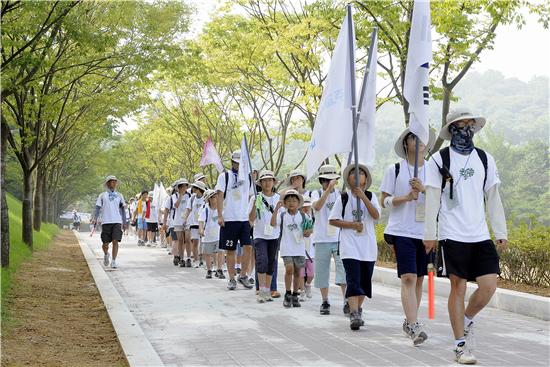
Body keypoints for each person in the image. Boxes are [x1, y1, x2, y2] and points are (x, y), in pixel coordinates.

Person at [424, 108, 507, 365]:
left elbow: (493, 197)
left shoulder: (485, 159)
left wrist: (500, 231)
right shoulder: (438, 160)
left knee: (489, 286)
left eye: (470, 124)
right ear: (451, 130)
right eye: (460, 125)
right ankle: (460, 345)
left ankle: (467, 319)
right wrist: (430, 233)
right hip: (452, 234)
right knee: (458, 287)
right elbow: (432, 199)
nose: (465, 129)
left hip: (479, 234)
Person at [380, 127, 435, 345]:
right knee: (409, 277)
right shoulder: (394, 170)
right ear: (406, 143)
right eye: (414, 137)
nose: (420, 141)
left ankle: (410, 319)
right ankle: (414, 327)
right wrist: (404, 197)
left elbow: (445, 201)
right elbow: (383, 200)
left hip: (425, 232)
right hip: (401, 230)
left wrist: (424, 191)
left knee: (420, 279)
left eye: (423, 137)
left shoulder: (434, 170)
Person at [329, 163, 381, 331]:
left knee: (364, 283)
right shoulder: (343, 198)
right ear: (348, 179)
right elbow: (333, 219)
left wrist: (363, 197)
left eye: (361, 174)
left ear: (366, 179)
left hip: (367, 247)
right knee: (353, 279)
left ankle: (357, 309)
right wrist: (351, 225)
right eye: (353, 174)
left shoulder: (371, 196)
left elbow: (375, 215)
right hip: (349, 246)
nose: (357, 176)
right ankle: (354, 313)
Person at [310, 164, 348, 315]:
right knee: (322, 272)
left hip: (339, 238)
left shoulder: (342, 195)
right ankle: (325, 301)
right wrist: (327, 191)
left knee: (343, 270)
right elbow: (317, 207)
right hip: (321, 238)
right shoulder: (316, 193)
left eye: (331, 179)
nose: (328, 182)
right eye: (325, 180)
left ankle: (346, 301)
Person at [215, 150, 254, 290]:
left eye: (240, 162)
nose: (238, 165)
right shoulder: (224, 176)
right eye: (235, 162)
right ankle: (231, 278)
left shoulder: (248, 178)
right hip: (229, 219)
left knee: (248, 247)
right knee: (230, 250)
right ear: (232, 162)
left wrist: (251, 217)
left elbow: (252, 197)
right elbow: (219, 195)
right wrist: (220, 215)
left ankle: (243, 275)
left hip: (244, 219)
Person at [271, 189, 313, 308]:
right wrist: (276, 210)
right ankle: (287, 293)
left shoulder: (304, 216)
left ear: (298, 202)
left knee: (297, 272)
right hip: (286, 247)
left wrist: (307, 232)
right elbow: (273, 223)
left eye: (294, 200)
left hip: (299, 248)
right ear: (285, 202)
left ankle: (295, 295)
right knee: (289, 269)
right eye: (288, 200)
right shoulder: (282, 215)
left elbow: (310, 229)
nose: (291, 203)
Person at [249, 170, 280, 303]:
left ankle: (268, 290)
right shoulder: (256, 198)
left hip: (274, 235)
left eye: (269, 180)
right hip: (260, 235)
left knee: (271, 263)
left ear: (273, 182)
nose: (267, 183)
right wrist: (256, 205)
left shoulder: (279, 198)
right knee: (262, 261)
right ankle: (261, 290)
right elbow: (250, 219)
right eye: (264, 180)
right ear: (260, 183)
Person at [92, 175, 127, 269]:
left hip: (117, 221)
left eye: (115, 181)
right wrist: (95, 218)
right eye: (112, 181)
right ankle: (106, 254)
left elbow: (123, 209)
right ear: (108, 183)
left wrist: (124, 222)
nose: (114, 183)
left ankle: (114, 261)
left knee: (116, 241)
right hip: (106, 221)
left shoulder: (120, 195)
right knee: (105, 244)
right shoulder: (102, 195)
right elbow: (97, 208)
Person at [164, 178, 192, 267]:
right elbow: (176, 205)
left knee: (187, 239)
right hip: (177, 221)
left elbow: (190, 208)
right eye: (182, 186)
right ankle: (181, 258)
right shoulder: (173, 196)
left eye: (185, 186)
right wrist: (180, 196)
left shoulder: (190, 196)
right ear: (178, 188)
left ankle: (188, 258)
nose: (184, 188)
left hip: (188, 220)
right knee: (180, 240)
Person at [199, 189, 223, 279]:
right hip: (208, 236)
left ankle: (219, 269)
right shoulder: (205, 209)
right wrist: (201, 230)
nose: (215, 199)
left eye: (216, 197)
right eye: (213, 197)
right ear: (209, 199)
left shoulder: (221, 208)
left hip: (219, 235)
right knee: (208, 254)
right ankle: (209, 270)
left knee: (220, 252)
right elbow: (201, 221)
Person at [184, 181, 207, 267]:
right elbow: (188, 209)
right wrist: (185, 219)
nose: (193, 189)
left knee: (204, 243)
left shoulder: (205, 198)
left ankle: (204, 261)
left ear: (199, 189)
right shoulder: (192, 198)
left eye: (194, 187)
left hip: (204, 223)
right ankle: (196, 260)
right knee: (195, 242)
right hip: (194, 223)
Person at [299, 197, 314, 301]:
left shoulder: (311, 217)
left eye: (307, 207)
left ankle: (308, 285)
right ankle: (302, 291)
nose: (306, 209)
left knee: (311, 273)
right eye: (304, 207)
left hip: (310, 251)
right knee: (301, 273)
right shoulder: (298, 218)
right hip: (300, 250)